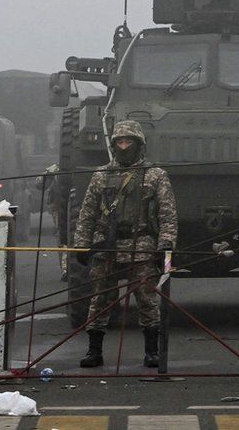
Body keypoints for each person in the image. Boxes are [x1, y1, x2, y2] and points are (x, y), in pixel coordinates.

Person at [73, 121, 178, 369]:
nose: (123, 146)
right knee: (99, 301)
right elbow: (87, 213)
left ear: (138, 144)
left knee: (148, 301)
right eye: (119, 142)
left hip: (141, 246)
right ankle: (94, 351)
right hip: (106, 247)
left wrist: (166, 243)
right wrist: (81, 245)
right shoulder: (101, 175)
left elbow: (167, 214)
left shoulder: (155, 175)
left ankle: (152, 352)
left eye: (128, 141)